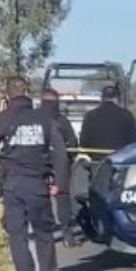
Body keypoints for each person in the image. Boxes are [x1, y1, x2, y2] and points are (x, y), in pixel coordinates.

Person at [0, 77, 68, 271]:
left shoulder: (1, 119)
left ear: (8, 95)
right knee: (44, 233)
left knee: (18, 235)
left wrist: (0, 113)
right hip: (38, 184)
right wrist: (60, 185)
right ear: (28, 93)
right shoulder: (45, 119)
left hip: (13, 185)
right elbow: (59, 152)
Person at [38, 87, 78, 247]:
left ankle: (44, 234)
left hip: (38, 164)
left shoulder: (34, 119)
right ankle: (67, 233)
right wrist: (69, 159)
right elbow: (74, 144)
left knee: (38, 198)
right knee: (62, 198)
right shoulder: (62, 121)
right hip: (60, 163)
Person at [80, 85, 136, 160]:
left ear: (102, 98)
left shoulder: (90, 116)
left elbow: (83, 143)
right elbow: (134, 142)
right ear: (117, 98)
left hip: (97, 163)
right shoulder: (127, 115)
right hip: (120, 162)